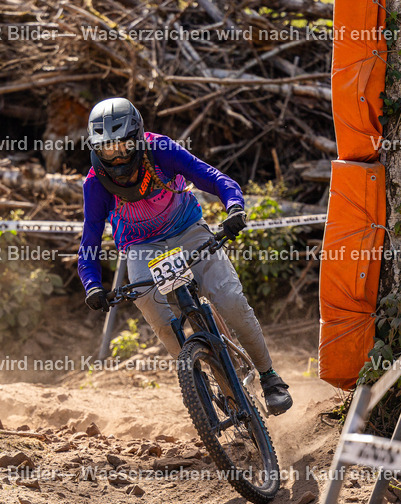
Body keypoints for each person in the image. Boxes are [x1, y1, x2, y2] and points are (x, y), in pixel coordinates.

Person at [78, 97, 293, 416]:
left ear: (137, 137)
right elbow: (90, 239)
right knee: (157, 314)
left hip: (188, 230)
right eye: (108, 149)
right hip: (141, 247)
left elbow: (212, 177)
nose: (118, 155)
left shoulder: (161, 149)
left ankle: (269, 377)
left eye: (124, 145)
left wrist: (233, 206)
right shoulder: (96, 183)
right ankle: (199, 383)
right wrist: (92, 285)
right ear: (96, 148)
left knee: (230, 300)